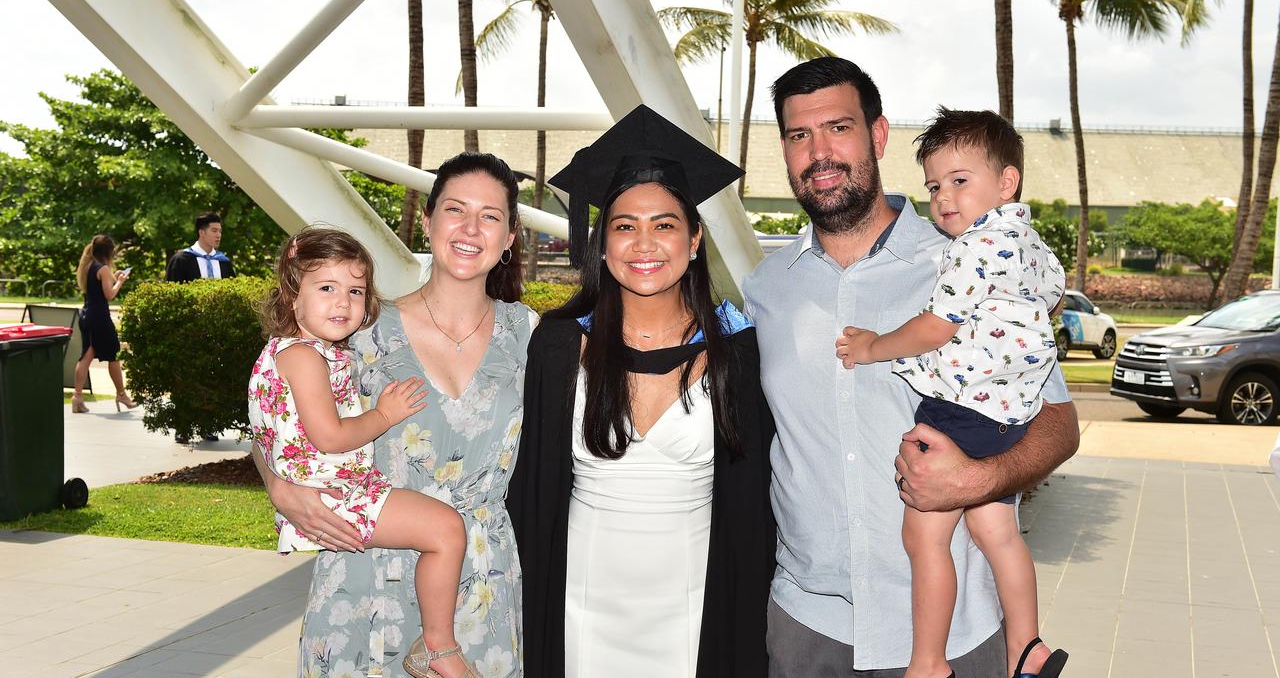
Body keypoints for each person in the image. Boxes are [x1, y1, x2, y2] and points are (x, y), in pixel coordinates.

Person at [740, 57, 1079, 678]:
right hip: (808, 626)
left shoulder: (965, 262)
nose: (819, 151)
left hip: (954, 637)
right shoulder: (765, 288)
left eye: (838, 127)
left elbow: (1058, 423)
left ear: (878, 135)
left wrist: (981, 480)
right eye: (798, 135)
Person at [509, 104, 777, 678]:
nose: (644, 243)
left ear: (695, 238)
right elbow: (532, 491)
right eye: (625, 225)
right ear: (601, 243)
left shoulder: (738, 351)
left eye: (665, 224)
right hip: (581, 601)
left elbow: (754, 505)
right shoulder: (558, 348)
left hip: (696, 605)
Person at [253, 153, 533, 678]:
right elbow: (269, 421)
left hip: (481, 579)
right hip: (364, 575)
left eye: (491, 215)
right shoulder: (358, 332)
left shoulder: (531, 336)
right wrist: (280, 488)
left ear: (510, 235)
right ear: (427, 222)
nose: (471, 228)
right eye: (455, 209)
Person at [834, 109, 1067, 678]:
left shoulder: (973, 246)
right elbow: (1055, 298)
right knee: (997, 532)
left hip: (958, 408)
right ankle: (1027, 647)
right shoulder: (1030, 242)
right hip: (1008, 414)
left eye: (960, 181)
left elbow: (936, 327)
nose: (944, 198)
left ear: (1006, 181)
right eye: (935, 186)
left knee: (923, 536)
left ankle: (928, 661)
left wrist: (872, 346)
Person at [249, 227, 479, 678]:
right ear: (293, 295)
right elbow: (330, 437)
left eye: (355, 290)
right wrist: (385, 415)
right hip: (336, 494)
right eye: (327, 288)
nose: (343, 302)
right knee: (447, 531)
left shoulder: (302, 351)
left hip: (333, 489)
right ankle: (436, 647)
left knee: (441, 531)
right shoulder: (304, 357)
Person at [71, 234, 136, 413]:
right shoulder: (103, 268)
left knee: (86, 356)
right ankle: (121, 394)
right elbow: (109, 295)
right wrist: (121, 282)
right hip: (99, 317)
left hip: (87, 315)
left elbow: (100, 287)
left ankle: (77, 397)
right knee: (113, 354)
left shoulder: (88, 266)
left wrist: (114, 277)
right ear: (109, 252)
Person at [166, 212, 236, 282]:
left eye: (220, 231)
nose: (218, 235)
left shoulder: (223, 261)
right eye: (214, 231)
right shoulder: (181, 260)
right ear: (201, 232)